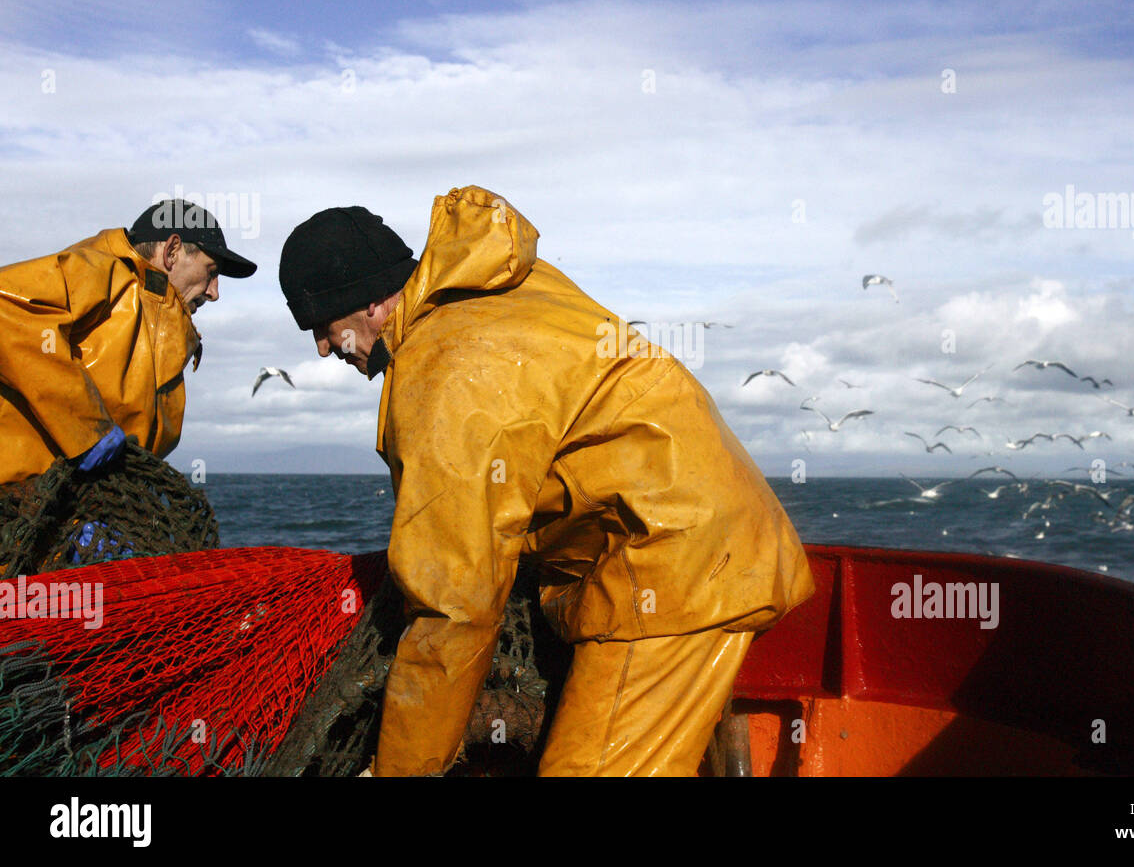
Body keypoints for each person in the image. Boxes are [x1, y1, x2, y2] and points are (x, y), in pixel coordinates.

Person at [279, 185, 815, 776]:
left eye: (323, 326)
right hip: (692, 541)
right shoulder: (498, 288)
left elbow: (454, 607)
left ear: (371, 303)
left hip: (674, 566)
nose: (325, 348)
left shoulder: (445, 371)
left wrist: (399, 770)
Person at [0, 199, 257, 486]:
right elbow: (6, 312)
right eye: (211, 272)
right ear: (172, 251)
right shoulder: (99, 273)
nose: (214, 292)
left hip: (74, 510)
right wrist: (88, 431)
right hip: (22, 501)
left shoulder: (161, 320)